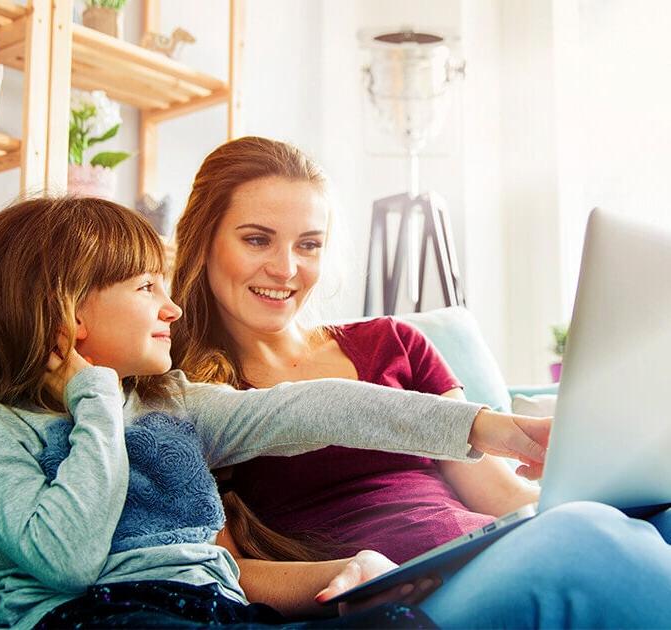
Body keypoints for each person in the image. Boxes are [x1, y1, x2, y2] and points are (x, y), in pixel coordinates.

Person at [0, 196, 549, 630]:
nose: (171, 308)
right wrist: (95, 399)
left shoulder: (173, 404)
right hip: (90, 615)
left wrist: (490, 426)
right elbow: (65, 561)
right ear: (67, 309)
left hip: (214, 610)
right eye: (147, 287)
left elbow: (318, 407)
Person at [169, 135, 671, 628]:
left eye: (309, 245)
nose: (286, 268)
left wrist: (594, 485)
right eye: (257, 239)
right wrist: (346, 577)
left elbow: (496, 493)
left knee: (614, 524)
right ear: (204, 241)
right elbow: (212, 567)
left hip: (488, 552)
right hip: (403, 595)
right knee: (589, 540)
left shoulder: (394, 343)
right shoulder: (180, 394)